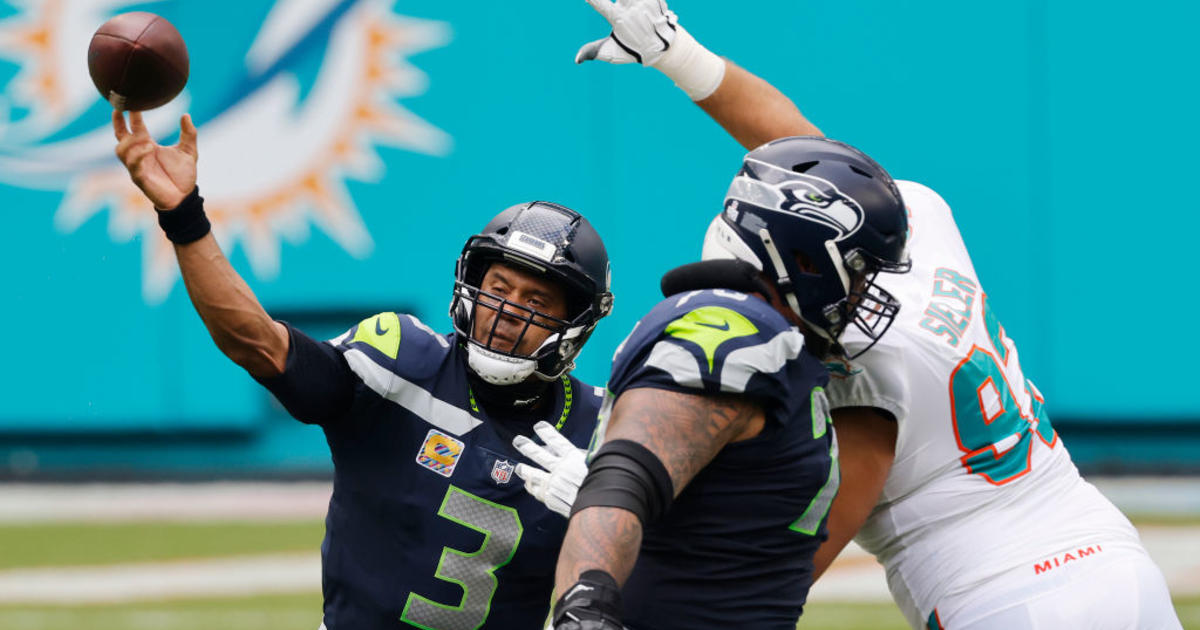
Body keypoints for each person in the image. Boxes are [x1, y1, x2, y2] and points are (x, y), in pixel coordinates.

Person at [547, 1, 1183, 628]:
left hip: (1000, 598)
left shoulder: (867, 376)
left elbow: (778, 566)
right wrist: (677, 54)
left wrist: (614, 504)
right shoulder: (915, 217)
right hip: (1109, 555)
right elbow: (807, 160)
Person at [110, 109, 615, 629]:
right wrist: (184, 216)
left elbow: (682, 573)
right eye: (498, 289)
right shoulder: (404, 361)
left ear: (574, 323)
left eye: (535, 300)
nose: (506, 312)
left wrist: (614, 514)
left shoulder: (601, 430)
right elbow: (256, 344)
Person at [532, 133, 911, 630]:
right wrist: (587, 606)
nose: (861, 294)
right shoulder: (733, 329)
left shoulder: (772, 342)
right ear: (804, 257)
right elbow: (625, 477)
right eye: (858, 271)